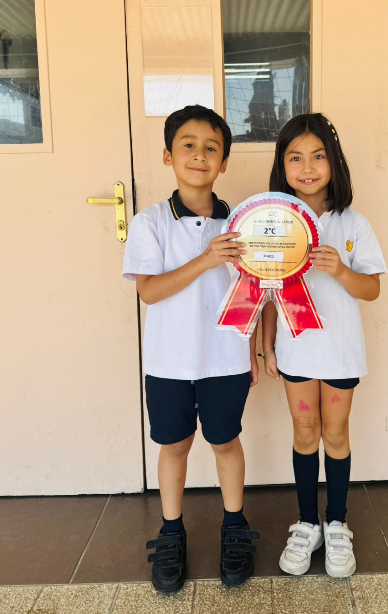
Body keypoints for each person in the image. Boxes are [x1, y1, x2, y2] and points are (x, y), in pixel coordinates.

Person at [122, 105, 260, 593]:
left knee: (225, 441)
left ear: (223, 162)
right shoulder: (150, 222)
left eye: (211, 148)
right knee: (175, 444)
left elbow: (252, 290)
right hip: (169, 361)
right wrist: (205, 260)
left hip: (225, 358)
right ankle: (171, 532)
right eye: (188, 145)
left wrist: (251, 350)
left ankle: (235, 526)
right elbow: (150, 291)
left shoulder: (242, 223)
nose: (199, 155)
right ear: (168, 156)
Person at [261, 112, 387, 578]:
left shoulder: (354, 223)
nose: (307, 167)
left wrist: (340, 270)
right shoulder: (273, 223)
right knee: (304, 431)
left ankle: (336, 523)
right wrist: (267, 347)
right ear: (282, 166)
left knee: (334, 434)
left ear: (334, 161)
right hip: (296, 349)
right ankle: (306, 523)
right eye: (295, 158)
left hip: (340, 351)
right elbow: (266, 289)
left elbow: (372, 289)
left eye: (318, 156)